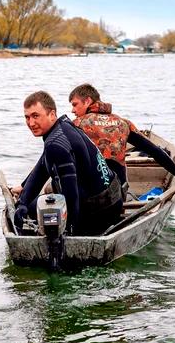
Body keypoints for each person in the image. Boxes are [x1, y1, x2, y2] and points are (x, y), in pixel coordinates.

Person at [12, 91, 123, 236]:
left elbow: (71, 194)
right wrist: (22, 202)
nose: (31, 123)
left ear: (52, 114)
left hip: (100, 214)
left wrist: (69, 230)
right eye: (27, 117)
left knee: (36, 208)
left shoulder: (55, 144)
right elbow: (41, 169)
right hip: (115, 201)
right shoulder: (64, 126)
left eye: (36, 116)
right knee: (29, 204)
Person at [68, 83, 175, 187]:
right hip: (118, 191)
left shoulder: (77, 124)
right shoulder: (123, 123)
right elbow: (153, 150)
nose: (73, 110)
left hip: (89, 190)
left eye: (75, 104)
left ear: (87, 101)